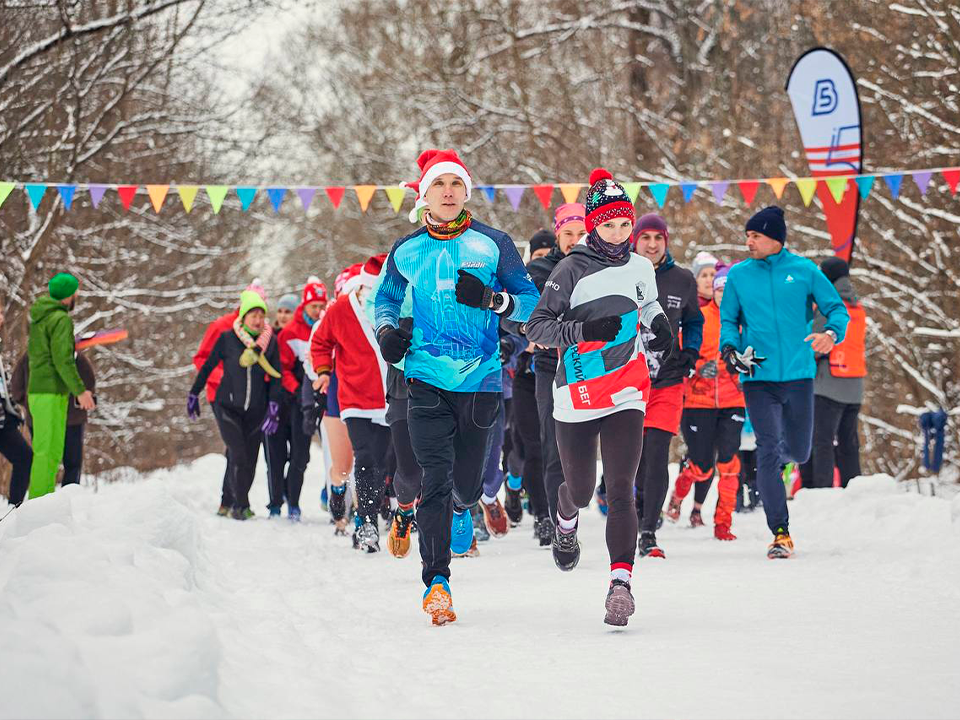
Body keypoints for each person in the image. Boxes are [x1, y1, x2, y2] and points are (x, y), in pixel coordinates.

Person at [375, 148, 538, 625]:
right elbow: (385, 298)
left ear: (467, 192)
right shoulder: (406, 249)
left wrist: (493, 299)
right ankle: (437, 582)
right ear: (424, 195)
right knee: (436, 480)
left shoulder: (494, 244)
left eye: (456, 185)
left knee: (466, 485)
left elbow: (529, 304)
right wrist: (388, 332)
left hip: (482, 378)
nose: (448, 193)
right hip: (424, 376)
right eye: (438, 186)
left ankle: (466, 509)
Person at [526, 168, 673, 626]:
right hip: (576, 392)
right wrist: (584, 331)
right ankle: (565, 522)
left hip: (627, 389)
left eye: (625, 224)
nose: (619, 234)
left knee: (623, 488)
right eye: (609, 225)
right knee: (583, 491)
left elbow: (646, 302)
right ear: (593, 226)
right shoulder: (570, 269)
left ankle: (620, 584)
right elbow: (537, 327)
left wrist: (657, 321)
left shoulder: (641, 266)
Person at [719, 206, 849, 558]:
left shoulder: (805, 271)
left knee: (799, 451)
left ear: (775, 239)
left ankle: (779, 461)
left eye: (755, 236)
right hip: (757, 375)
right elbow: (728, 320)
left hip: (798, 375)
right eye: (747, 235)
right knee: (767, 448)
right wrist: (729, 348)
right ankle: (780, 531)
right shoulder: (739, 275)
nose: (749, 241)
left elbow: (837, 309)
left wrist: (831, 334)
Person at [506, 204, 585, 528]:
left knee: (581, 452)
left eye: (582, 233)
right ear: (558, 234)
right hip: (547, 366)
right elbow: (511, 313)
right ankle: (555, 522)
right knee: (549, 446)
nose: (575, 240)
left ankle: (576, 507)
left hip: (595, 367)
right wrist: (527, 331)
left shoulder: (606, 267)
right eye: (568, 233)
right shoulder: (538, 270)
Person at [631, 214, 704, 558]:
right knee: (636, 457)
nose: (652, 244)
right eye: (645, 237)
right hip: (627, 380)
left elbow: (694, 321)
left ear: (666, 241)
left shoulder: (682, 279)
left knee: (658, 453)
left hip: (668, 379)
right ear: (634, 241)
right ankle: (637, 508)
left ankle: (647, 531)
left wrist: (690, 352)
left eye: (658, 237)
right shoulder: (621, 273)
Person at [312, 255, 390, 552]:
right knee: (365, 457)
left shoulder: (397, 306)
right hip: (354, 399)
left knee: (382, 463)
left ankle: (380, 512)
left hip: (388, 399)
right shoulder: (342, 310)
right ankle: (366, 523)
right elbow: (320, 343)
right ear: (361, 289)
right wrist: (322, 372)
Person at [665, 263, 744, 540]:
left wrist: (741, 367)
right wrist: (698, 368)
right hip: (698, 401)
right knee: (701, 466)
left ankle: (723, 524)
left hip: (734, 400)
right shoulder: (701, 316)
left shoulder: (744, 320)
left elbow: (755, 354)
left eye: (727, 288)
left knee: (729, 464)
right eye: (719, 288)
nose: (722, 292)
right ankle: (678, 494)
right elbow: (683, 352)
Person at [188, 289, 282, 520]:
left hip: (256, 411)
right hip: (227, 406)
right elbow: (208, 366)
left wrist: (273, 407)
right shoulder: (228, 339)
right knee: (238, 454)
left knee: (249, 459)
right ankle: (240, 505)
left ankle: (232, 502)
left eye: (262, 315)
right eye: (253, 315)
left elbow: (276, 377)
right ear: (243, 316)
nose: (258, 320)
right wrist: (193, 394)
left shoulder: (270, 343)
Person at [26, 273, 95, 499]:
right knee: (46, 452)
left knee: (54, 452)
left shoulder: (42, 317)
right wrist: (80, 391)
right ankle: (36, 506)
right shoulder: (60, 320)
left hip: (48, 392)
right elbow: (62, 360)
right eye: (76, 292)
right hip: (47, 392)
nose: (77, 295)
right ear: (68, 295)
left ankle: (45, 502)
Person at [800, 257, 866, 489]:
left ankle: (821, 490)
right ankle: (852, 488)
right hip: (855, 385)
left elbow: (812, 343)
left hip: (828, 383)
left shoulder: (831, 308)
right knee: (849, 442)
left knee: (821, 440)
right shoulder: (858, 308)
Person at [274, 277, 327, 521]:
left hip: (324, 397)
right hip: (296, 401)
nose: (317, 311)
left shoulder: (327, 326)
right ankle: (292, 502)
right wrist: (297, 390)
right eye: (313, 306)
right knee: (298, 453)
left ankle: (332, 497)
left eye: (320, 305)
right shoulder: (290, 333)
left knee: (306, 456)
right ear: (304, 306)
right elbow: (282, 369)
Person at [11, 348, 95, 489]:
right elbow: (89, 385)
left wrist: (31, 404)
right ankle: (64, 500)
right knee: (70, 464)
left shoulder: (31, 354)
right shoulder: (72, 355)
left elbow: (16, 387)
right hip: (68, 419)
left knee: (44, 460)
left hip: (50, 418)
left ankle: (51, 500)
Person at [0, 307, 32, 506]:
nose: (2, 317)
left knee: (24, 457)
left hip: (3, 419)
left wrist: (10, 408)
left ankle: (15, 509)